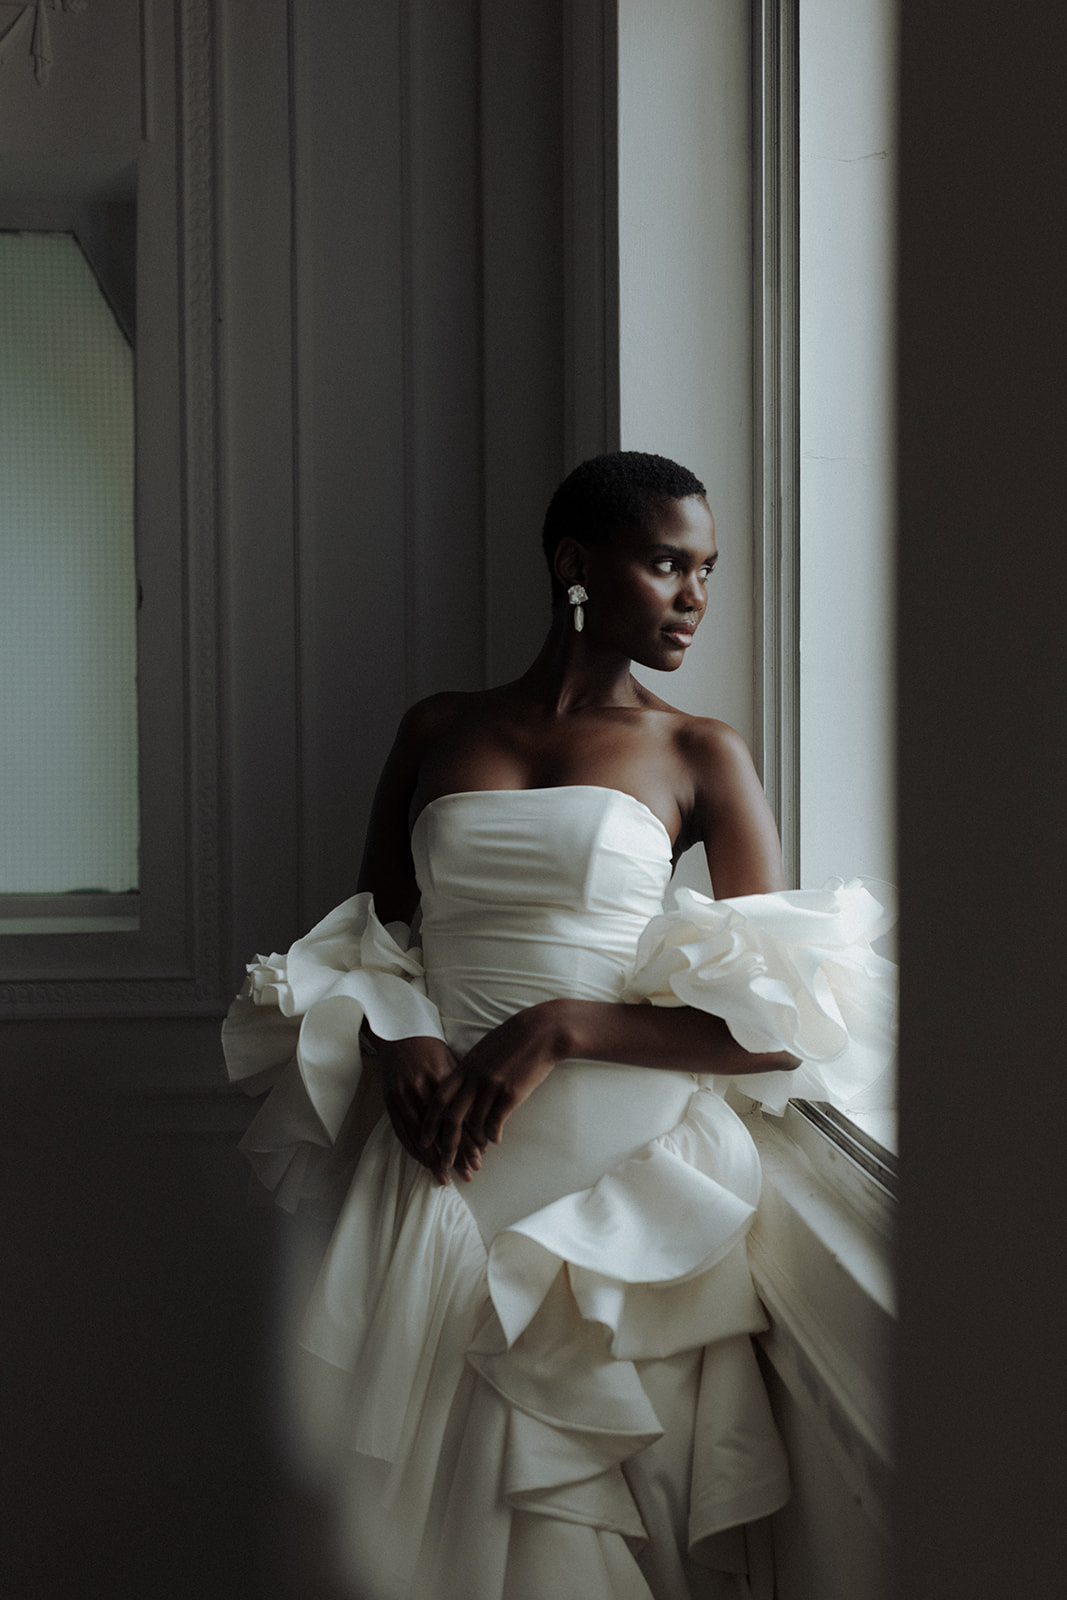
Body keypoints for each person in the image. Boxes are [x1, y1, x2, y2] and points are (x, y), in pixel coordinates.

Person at [223, 452, 896, 1600]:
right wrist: (394, 1042)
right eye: (667, 563)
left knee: (575, 1515)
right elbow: (371, 942)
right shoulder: (437, 726)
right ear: (576, 566)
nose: (693, 595)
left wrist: (564, 1025)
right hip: (441, 1162)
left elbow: (780, 1027)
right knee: (410, 1531)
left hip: (608, 1184)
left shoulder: (701, 752)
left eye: (706, 570)